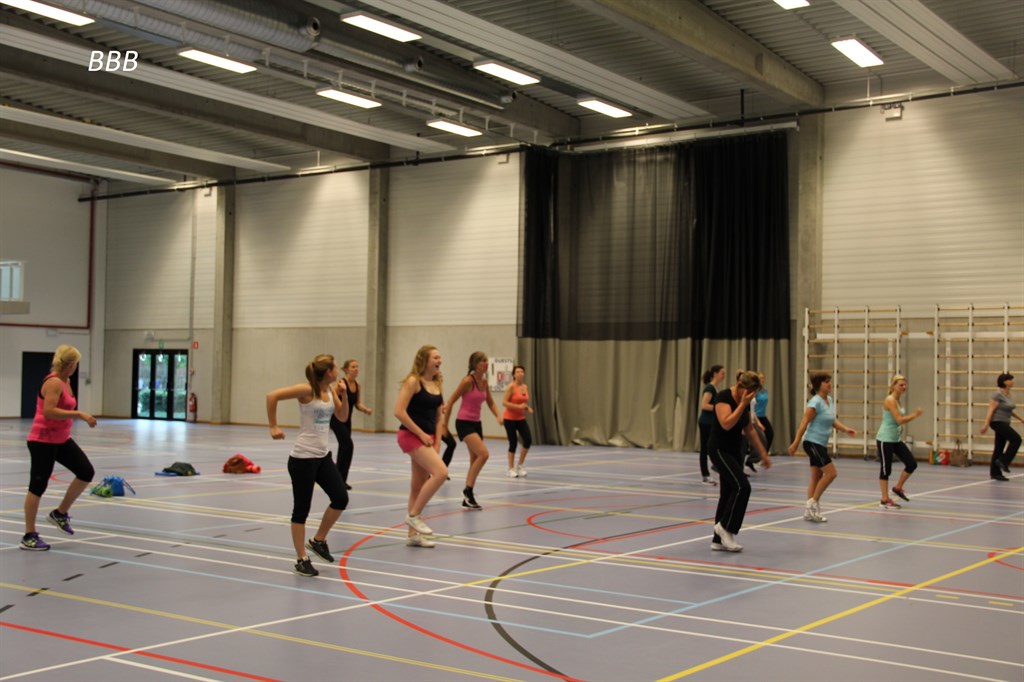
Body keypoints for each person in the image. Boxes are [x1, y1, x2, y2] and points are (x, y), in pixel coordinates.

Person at [266, 354, 350, 577]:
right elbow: (272, 396)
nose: (338, 371)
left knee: (341, 498)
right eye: (335, 367)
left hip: (323, 457)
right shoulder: (306, 390)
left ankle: (318, 540)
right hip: (302, 459)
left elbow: (342, 417)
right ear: (328, 372)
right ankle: (301, 558)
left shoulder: (330, 390)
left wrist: (344, 395)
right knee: (301, 510)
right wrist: (273, 426)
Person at [21, 345, 97, 551]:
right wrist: (79, 414)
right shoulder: (53, 382)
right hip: (42, 441)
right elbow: (49, 411)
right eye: (76, 364)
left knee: (86, 471)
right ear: (71, 365)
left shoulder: (66, 382)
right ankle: (29, 535)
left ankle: (60, 513)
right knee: (37, 487)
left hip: (61, 439)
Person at [707, 371, 771, 552]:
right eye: (749, 392)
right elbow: (726, 423)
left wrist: (763, 453)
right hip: (719, 450)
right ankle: (725, 528)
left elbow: (749, 429)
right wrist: (742, 404)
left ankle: (718, 541)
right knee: (743, 487)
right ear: (741, 387)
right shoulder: (723, 397)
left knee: (728, 494)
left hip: (735, 451)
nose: (751, 395)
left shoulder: (746, 401)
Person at [395, 345, 447, 547]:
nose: (439, 360)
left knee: (417, 486)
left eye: (440, 357)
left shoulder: (436, 383)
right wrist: (420, 434)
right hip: (410, 435)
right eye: (435, 357)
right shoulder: (413, 381)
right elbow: (399, 411)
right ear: (424, 360)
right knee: (441, 473)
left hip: (428, 438)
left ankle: (412, 535)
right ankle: (414, 516)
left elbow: (439, 417)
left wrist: (437, 443)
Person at [788, 372, 856, 523]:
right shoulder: (815, 402)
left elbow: (832, 421)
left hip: (821, 444)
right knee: (831, 473)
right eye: (826, 382)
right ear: (819, 385)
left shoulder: (829, 400)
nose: (830, 384)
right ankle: (812, 504)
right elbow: (804, 423)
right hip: (812, 443)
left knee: (816, 477)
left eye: (830, 381)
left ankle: (809, 512)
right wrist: (795, 443)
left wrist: (846, 429)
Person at [443, 352, 502, 509]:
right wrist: (444, 426)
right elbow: (451, 401)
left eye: (487, 360)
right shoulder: (467, 381)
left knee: (474, 459)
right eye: (483, 361)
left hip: (477, 423)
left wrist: (498, 415)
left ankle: (468, 497)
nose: (487, 363)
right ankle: (467, 491)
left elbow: (490, 402)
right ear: (476, 364)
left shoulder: (484, 381)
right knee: (484, 454)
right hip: (464, 423)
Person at [876, 374, 923, 509]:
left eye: (905, 385)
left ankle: (897, 488)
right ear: (893, 386)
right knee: (886, 469)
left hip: (895, 439)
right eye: (901, 385)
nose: (904, 387)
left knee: (911, 463)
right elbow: (899, 420)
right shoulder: (890, 400)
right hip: (885, 439)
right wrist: (915, 415)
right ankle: (884, 499)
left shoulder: (898, 399)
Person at [329, 359, 373, 490]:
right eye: (353, 367)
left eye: (357, 366)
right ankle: (337, 479)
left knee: (345, 448)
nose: (356, 369)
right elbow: (331, 398)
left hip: (347, 419)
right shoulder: (341, 384)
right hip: (336, 418)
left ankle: (341, 480)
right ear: (346, 369)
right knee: (348, 445)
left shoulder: (357, 385)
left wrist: (365, 409)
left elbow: (357, 403)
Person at [981, 373, 1023, 482]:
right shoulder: (998, 394)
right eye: (1010, 379)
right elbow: (991, 409)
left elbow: (1009, 410)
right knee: (1016, 439)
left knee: (999, 447)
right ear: (1004, 382)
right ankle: (1003, 461)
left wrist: (1021, 419)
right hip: (997, 422)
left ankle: (995, 473)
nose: (1012, 381)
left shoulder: (1007, 394)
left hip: (1004, 422)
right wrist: (986, 423)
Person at [502, 364, 533, 477]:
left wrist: (527, 408)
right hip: (509, 419)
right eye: (518, 372)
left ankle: (519, 465)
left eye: (522, 372)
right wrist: (518, 407)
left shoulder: (525, 387)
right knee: (513, 442)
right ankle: (510, 468)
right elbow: (504, 402)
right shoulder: (511, 387)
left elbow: (522, 402)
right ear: (514, 375)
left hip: (520, 418)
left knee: (528, 440)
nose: (520, 373)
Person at [697, 365, 725, 486]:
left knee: (715, 446)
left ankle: (716, 466)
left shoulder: (716, 388)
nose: (724, 375)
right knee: (705, 448)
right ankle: (705, 475)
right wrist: (718, 408)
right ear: (715, 374)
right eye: (722, 373)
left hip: (712, 422)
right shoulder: (709, 388)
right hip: (705, 422)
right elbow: (704, 405)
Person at [745, 372, 773, 473]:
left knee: (769, 434)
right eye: (760, 378)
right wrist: (757, 421)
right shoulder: (754, 391)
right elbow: (751, 407)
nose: (762, 379)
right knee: (757, 438)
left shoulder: (765, 390)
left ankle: (762, 456)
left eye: (763, 378)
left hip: (762, 416)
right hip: (754, 416)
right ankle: (753, 456)